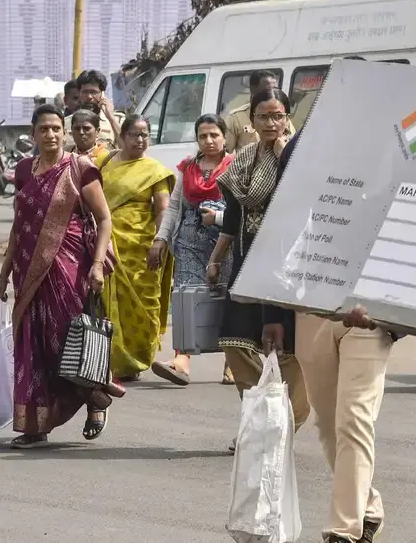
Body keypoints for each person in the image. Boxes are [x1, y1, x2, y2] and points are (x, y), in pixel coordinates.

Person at [276, 111, 393, 543]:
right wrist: (274, 315)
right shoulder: (304, 149)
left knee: (355, 420)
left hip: (371, 312)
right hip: (314, 303)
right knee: (328, 424)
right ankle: (367, 504)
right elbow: (281, 226)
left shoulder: (397, 150)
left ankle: (342, 530)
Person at [0, 104, 116, 448]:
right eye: (43, 129)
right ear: (33, 135)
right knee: (33, 345)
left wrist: (95, 264)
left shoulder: (80, 169)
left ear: (64, 133)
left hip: (68, 267)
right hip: (27, 269)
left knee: (67, 342)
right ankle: (35, 425)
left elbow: (104, 218)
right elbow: (19, 225)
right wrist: (4, 274)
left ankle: (95, 399)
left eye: (55, 129)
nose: (50, 134)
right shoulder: (22, 171)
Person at [208, 87, 309, 451]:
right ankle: (258, 421)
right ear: (251, 120)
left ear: (287, 118)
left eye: (278, 115)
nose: (271, 123)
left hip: (289, 266)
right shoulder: (244, 160)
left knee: (291, 350)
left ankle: (286, 425)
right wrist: (217, 258)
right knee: (235, 341)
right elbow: (233, 215)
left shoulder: (301, 156)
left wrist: (285, 157)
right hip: (249, 260)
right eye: (263, 116)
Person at [147, 114, 234, 385]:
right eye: (202, 136)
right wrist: (161, 239)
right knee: (185, 296)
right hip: (188, 243)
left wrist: (218, 219)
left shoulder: (236, 166)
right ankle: (181, 360)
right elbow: (174, 208)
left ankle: (232, 362)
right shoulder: (187, 168)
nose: (208, 141)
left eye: (214, 135)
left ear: (224, 137)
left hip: (226, 242)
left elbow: (242, 207)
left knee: (227, 298)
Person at [99, 115, 176, 381]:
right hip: (106, 242)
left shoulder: (155, 171)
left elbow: (163, 209)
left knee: (143, 305)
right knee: (107, 304)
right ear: (123, 136)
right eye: (135, 134)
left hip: (141, 248)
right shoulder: (105, 162)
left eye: (145, 134)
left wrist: (159, 241)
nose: (141, 140)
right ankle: (111, 362)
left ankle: (136, 360)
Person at [220, 70, 295, 152]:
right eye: (262, 117)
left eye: (276, 89)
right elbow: (224, 152)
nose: (272, 93)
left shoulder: (281, 117)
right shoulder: (236, 117)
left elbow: (293, 145)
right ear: (253, 90)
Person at [76, 69, 122, 146]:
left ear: (102, 94)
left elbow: (126, 147)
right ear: (79, 93)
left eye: (94, 92)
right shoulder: (67, 122)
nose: (89, 97)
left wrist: (111, 117)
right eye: (85, 92)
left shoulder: (118, 120)